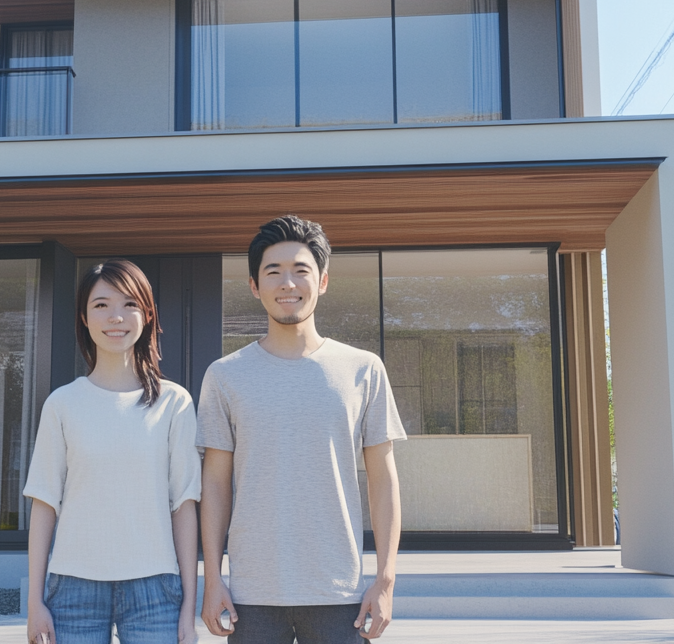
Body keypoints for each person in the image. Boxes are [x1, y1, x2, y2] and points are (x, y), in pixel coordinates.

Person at [197, 215, 405, 643]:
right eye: (273, 272)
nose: (287, 283)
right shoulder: (225, 376)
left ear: (323, 280)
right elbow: (215, 484)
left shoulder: (363, 369)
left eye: (300, 270)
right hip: (250, 596)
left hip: (339, 592)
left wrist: (385, 580)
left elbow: (383, 478)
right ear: (255, 286)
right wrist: (212, 579)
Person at [24, 259, 202, 644]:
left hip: (155, 589)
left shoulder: (175, 403)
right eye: (101, 305)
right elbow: (44, 504)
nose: (115, 317)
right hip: (72, 588)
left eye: (129, 304)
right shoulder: (62, 404)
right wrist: (34, 603)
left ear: (147, 314)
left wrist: (189, 605)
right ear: (84, 319)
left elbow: (184, 504)